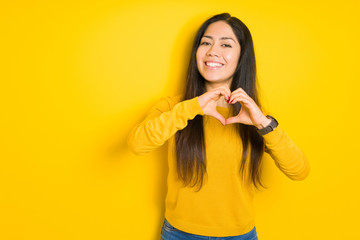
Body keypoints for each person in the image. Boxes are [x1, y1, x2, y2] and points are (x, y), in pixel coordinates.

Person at [127, 13, 310, 240]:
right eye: (205, 42)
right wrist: (191, 107)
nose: (213, 51)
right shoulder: (175, 107)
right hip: (179, 234)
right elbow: (137, 144)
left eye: (226, 44)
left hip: (240, 236)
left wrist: (263, 123)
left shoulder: (255, 117)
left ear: (242, 56)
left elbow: (299, 170)